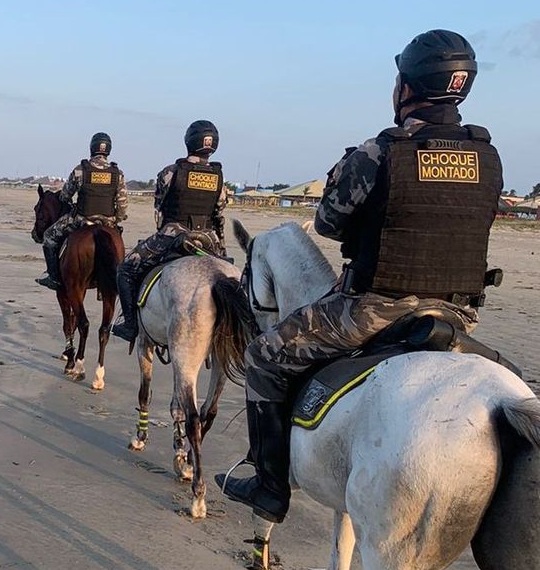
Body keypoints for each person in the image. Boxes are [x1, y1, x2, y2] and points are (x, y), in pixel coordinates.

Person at [215, 29, 503, 523]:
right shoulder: (489, 156)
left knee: (264, 355)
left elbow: (327, 222)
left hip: (374, 309)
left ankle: (269, 485)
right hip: (457, 312)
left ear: (407, 86)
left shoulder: (381, 151)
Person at [112, 120, 227, 342]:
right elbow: (219, 214)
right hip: (208, 238)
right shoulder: (219, 179)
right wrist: (220, 248)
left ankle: (130, 324)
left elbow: (160, 207)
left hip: (173, 234)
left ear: (189, 141)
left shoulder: (170, 172)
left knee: (126, 268)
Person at [35, 132, 128, 290]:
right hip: (108, 221)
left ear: (92, 148)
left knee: (49, 236)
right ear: (108, 150)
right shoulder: (117, 173)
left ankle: (54, 277)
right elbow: (122, 204)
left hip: (81, 219)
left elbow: (65, 196)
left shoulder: (81, 170)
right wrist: (116, 219)